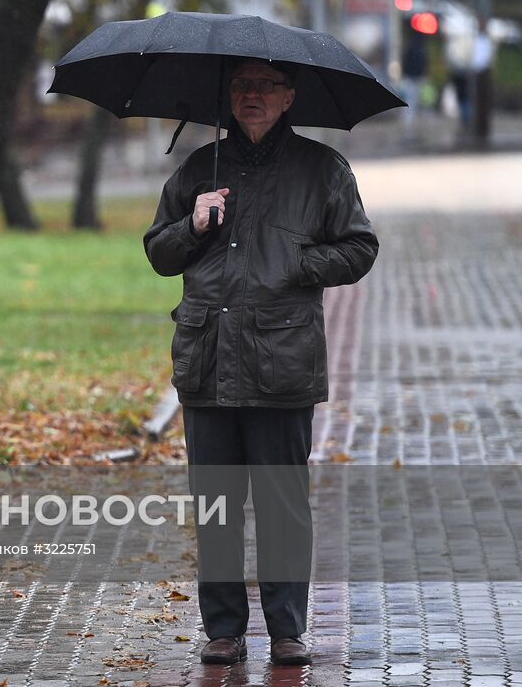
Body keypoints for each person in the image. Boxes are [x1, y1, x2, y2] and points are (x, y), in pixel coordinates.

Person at [143, 58, 378, 667]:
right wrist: (193, 225)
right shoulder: (199, 167)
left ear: (288, 97)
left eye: (265, 86)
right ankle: (222, 630)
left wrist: (297, 264)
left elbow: (359, 247)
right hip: (208, 360)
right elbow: (159, 254)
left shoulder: (321, 170)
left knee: (281, 505)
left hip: (282, 360)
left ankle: (287, 630)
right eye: (242, 86)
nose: (251, 95)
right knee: (216, 504)